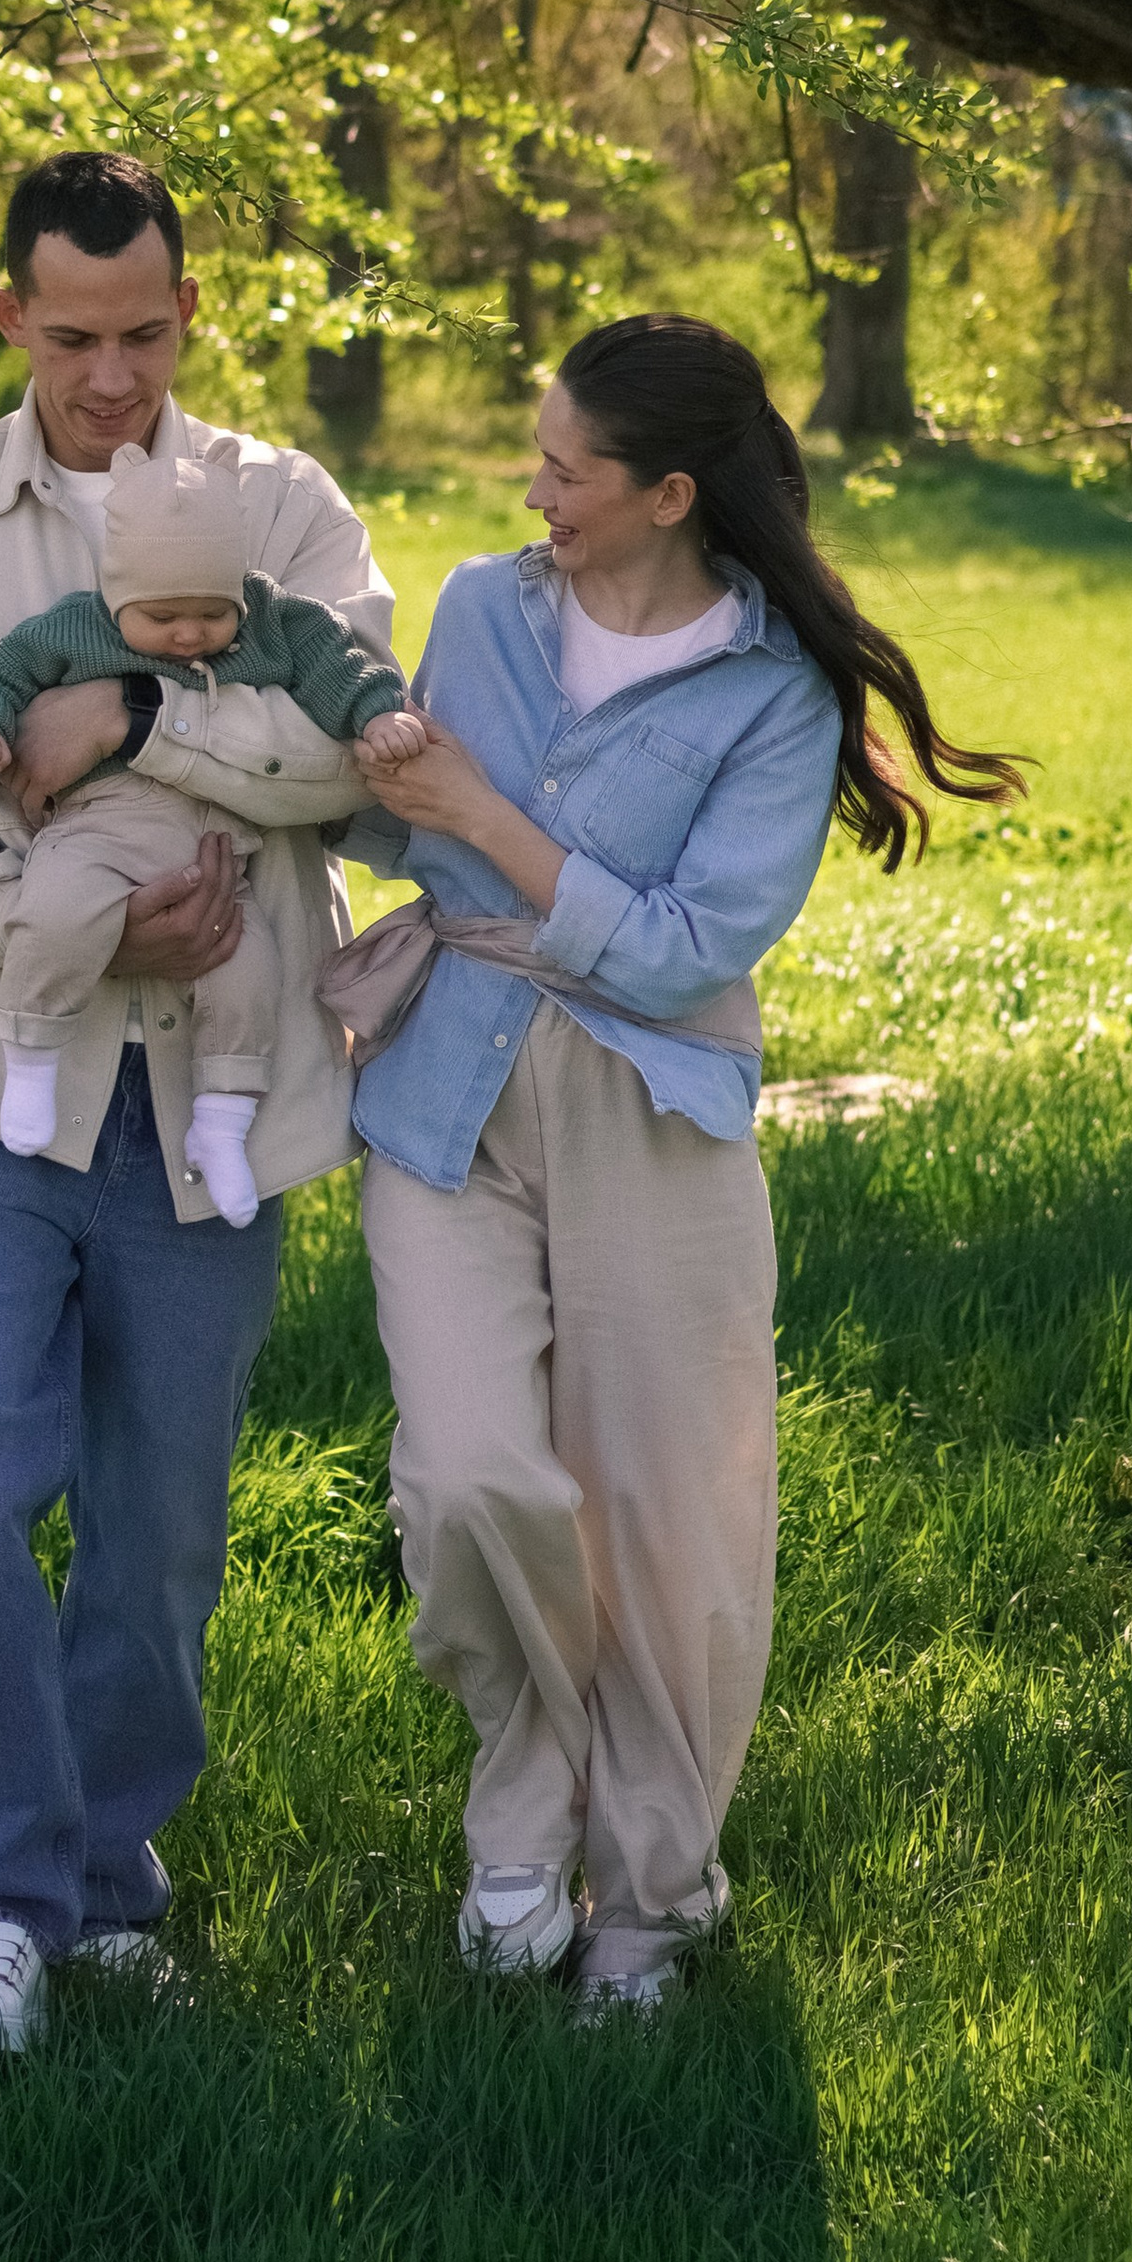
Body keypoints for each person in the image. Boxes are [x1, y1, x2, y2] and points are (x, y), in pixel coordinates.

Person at [332, 314, 1020, 2013]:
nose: (535, 488)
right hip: (445, 1094)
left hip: (653, 1103)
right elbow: (398, 822)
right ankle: (521, 1816)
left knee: (667, 1524)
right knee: (470, 1477)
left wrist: (487, 817)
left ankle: (650, 1893)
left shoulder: (774, 692)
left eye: (569, 467)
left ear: (667, 493)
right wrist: (322, 759)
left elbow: (685, 948)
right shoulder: (484, 606)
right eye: (539, 452)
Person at [0, 150, 394, 2056]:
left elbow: (349, 758)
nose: (112, 372)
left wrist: (130, 723)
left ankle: (111, 1883)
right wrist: (83, 930)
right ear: (9, 319)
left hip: (219, 1100)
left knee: (158, 1529)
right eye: (74, 336)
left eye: (145, 331)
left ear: (188, 313)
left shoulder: (286, 507)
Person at [0, 444, 424, 1205]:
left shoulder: (277, 622)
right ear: (116, 595)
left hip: (220, 858)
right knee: (56, 913)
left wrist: (376, 714)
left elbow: (340, 667)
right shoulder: (75, 628)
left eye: (212, 614)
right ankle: (31, 1065)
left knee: (249, 976)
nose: (190, 636)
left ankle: (221, 1125)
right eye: (161, 617)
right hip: (97, 830)